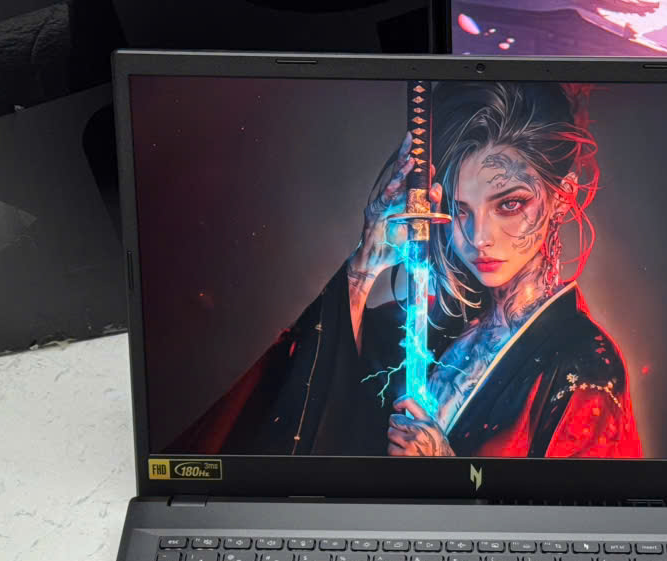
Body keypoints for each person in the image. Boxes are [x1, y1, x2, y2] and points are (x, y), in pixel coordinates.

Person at [169, 80, 641, 458]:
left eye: (510, 204)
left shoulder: (584, 366)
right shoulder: (437, 321)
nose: (479, 237)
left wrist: (448, 474)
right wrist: (364, 267)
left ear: (562, 197)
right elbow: (323, 418)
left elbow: (574, 531)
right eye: (459, 209)